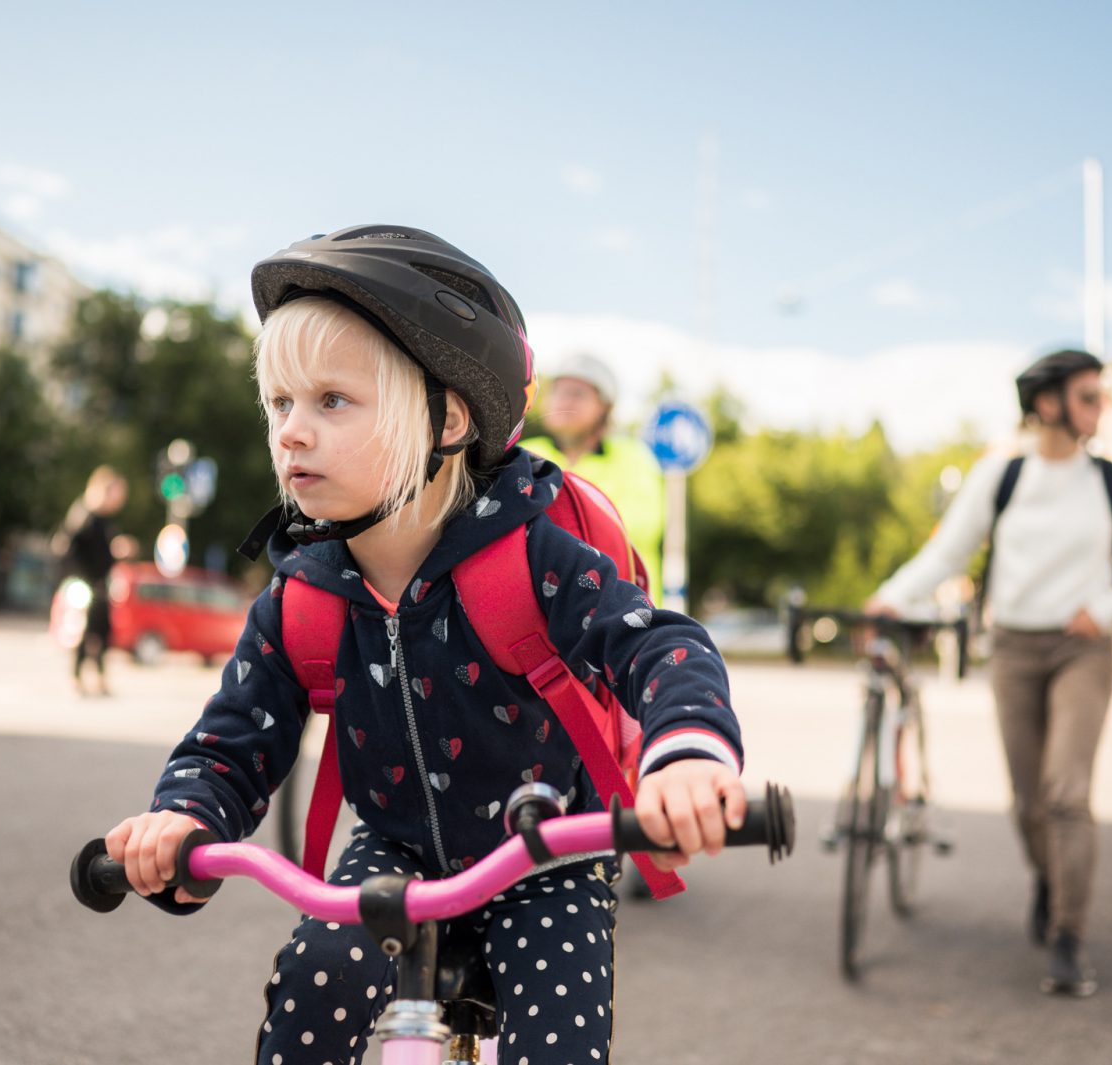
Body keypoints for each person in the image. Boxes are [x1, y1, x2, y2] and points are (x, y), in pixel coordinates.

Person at [102, 226, 745, 1065]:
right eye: (280, 403)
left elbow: (661, 649)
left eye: (332, 400)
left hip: (544, 843)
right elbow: (234, 737)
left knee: (559, 1038)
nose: (291, 431)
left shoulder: (529, 560)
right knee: (316, 976)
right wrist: (183, 818)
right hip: (395, 846)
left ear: (446, 418)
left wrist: (687, 759)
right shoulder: (303, 596)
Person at [865, 348, 1112, 997]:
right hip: (1011, 649)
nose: (1100, 408)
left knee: (1066, 792)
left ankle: (1068, 934)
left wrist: (1108, 608)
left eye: (1100, 396)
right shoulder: (1002, 476)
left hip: (1081, 651)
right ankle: (1049, 874)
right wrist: (889, 596)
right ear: (1047, 403)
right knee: (1027, 802)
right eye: (1088, 396)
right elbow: (946, 552)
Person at [523, 352, 665, 598]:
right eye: (557, 391)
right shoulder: (526, 454)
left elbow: (644, 524)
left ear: (604, 407)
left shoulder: (632, 455)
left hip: (625, 607)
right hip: (546, 612)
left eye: (577, 393)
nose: (564, 400)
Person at [53, 466, 129, 696]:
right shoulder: (84, 514)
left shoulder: (103, 520)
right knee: (83, 632)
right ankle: (76, 677)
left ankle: (97, 677)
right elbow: (64, 548)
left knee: (101, 631)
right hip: (86, 585)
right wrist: (77, 580)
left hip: (99, 584)